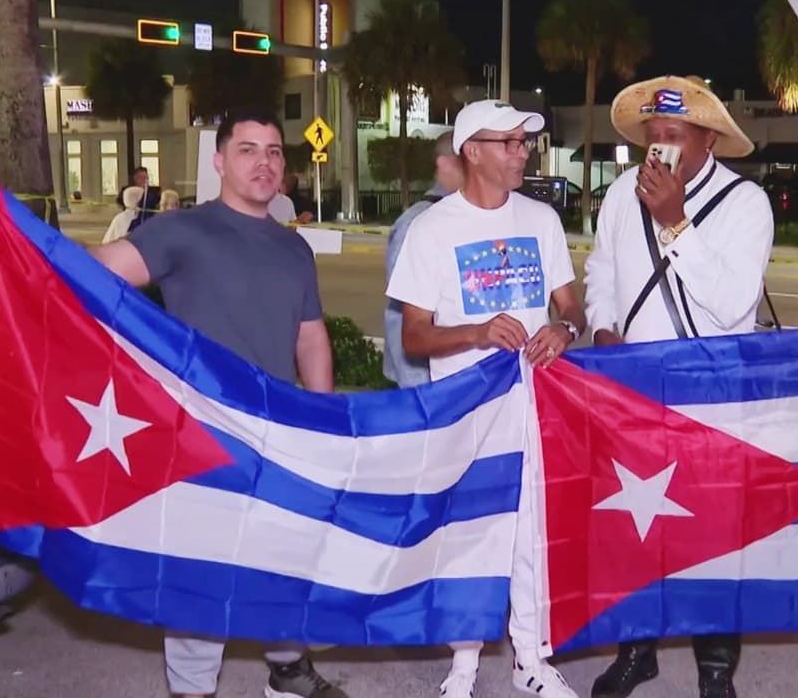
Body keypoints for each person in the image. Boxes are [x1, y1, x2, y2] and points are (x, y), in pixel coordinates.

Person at [89, 107, 344, 698]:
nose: (265, 162)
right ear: (220, 161)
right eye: (249, 149)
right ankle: (193, 687)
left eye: (275, 151)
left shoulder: (293, 249)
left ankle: (288, 667)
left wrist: (322, 419)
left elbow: (311, 335)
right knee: (201, 566)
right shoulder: (183, 230)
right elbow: (100, 274)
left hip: (278, 428)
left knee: (281, 553)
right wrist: (24, 245)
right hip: (200, 432)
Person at [386, 99, 586, 698]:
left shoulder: (541, 220)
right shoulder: (432, 229)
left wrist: (565, 329)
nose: (522, 152)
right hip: (463, 410)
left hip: (533, 405)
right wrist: (476, 332)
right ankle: (464, 664)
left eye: (525, 143)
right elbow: (413, 334)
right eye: (510, 143)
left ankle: (530, 657)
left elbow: (571, 303)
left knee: (531, 530)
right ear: (473, 151)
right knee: (469, 533)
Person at [583, 74, 773, 698]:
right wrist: (604, 326)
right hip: (633, 385)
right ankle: (638, 650)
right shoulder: (619, 194)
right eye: (653, 136)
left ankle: (716, 670)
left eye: (674, 136)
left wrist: (674, 221)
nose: (659, 148)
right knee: (636, 522)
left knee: (713, 532)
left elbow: (731, 304)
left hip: (710, 388)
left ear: (708, 139)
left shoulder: (746, 203)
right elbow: (602, 270)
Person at [383, 131, 464, 388]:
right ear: (445, 163)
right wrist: (418, 388)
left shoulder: (469, 217)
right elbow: (400, 314)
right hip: (426, 385)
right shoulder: (416, 223)